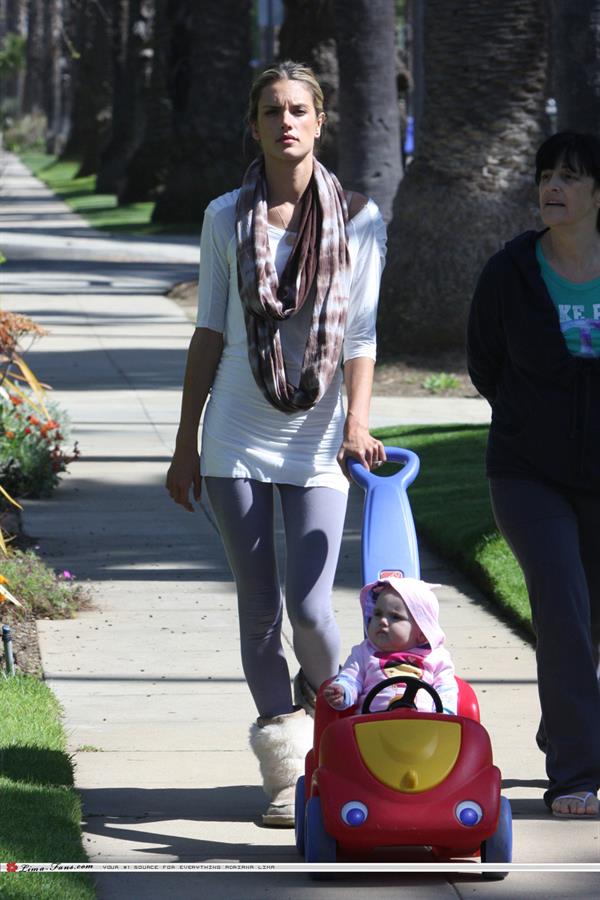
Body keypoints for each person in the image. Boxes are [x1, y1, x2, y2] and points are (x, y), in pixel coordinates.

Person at [165, 60, 387, 827]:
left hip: (320, 435)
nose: (286, 122)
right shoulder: (226, 216)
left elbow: (360, 335)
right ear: (253, 124)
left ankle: (346, 745)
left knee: (313, 609)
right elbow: (211, 331)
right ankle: (288, 770)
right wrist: (186, 443)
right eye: (271, 110)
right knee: (259, 611)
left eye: (299, 109)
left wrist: (357, 421)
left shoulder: (360, 217)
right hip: (235, 431)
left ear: (320, 121)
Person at [467, 131, 600, 819]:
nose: (555, 187)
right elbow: (485, 362)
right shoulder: (510, 271)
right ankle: (576, 771)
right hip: (528, 472)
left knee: (590, 619)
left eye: (572, 177)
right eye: (548, 174)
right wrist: (532, 421)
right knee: (563, 602)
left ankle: (565, 721)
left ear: (597, 192)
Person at [323, 576, 457, 714]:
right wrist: (342, 691)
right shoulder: (363, 653)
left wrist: (444, 714)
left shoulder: (437, 657)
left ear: (422, 631)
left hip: (423, 727)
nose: (382, 621)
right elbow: (351, 678)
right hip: (369, 727)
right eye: (377, 613)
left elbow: (446, 689)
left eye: (395, 617)